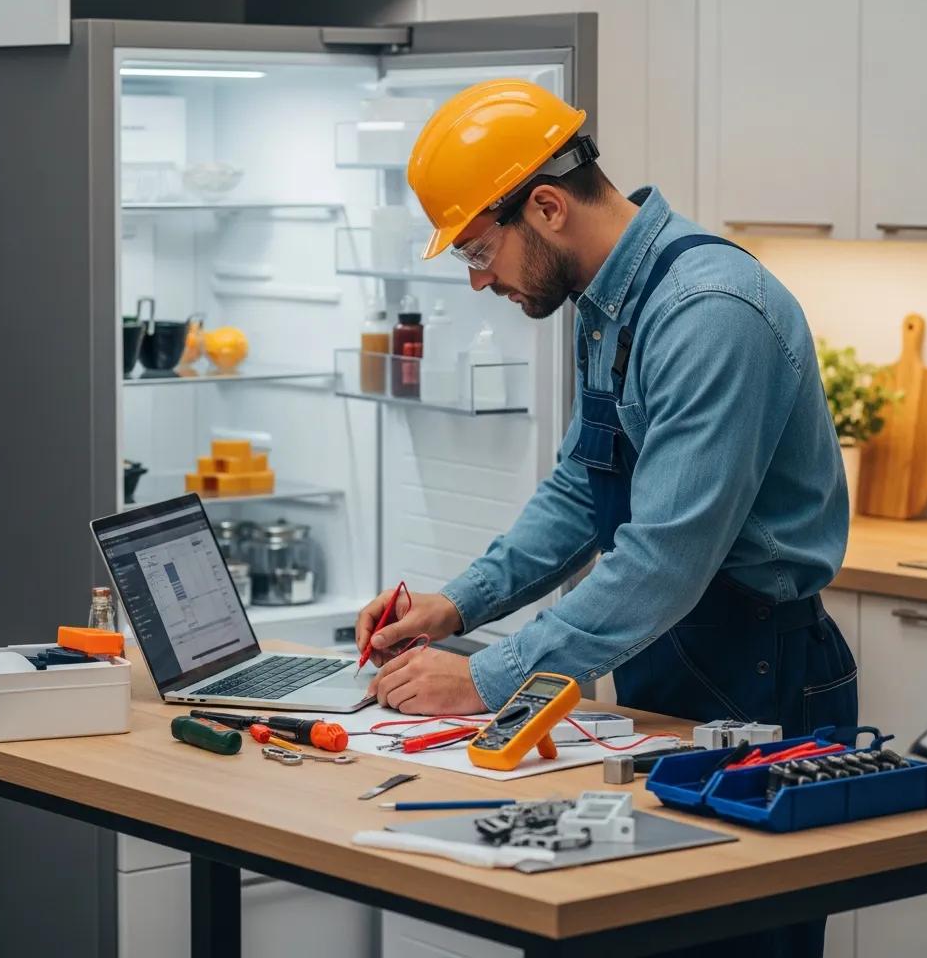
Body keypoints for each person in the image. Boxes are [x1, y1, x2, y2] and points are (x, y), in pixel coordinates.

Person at [355, 79, 856, 957]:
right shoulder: (611, 305)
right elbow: (585, 490)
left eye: (478, 251)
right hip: (672, 658)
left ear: (545, 207)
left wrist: (485, 680)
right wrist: (460, 606)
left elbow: (663, 559)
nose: (479, 283)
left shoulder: (709, 316)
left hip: (761, 672)